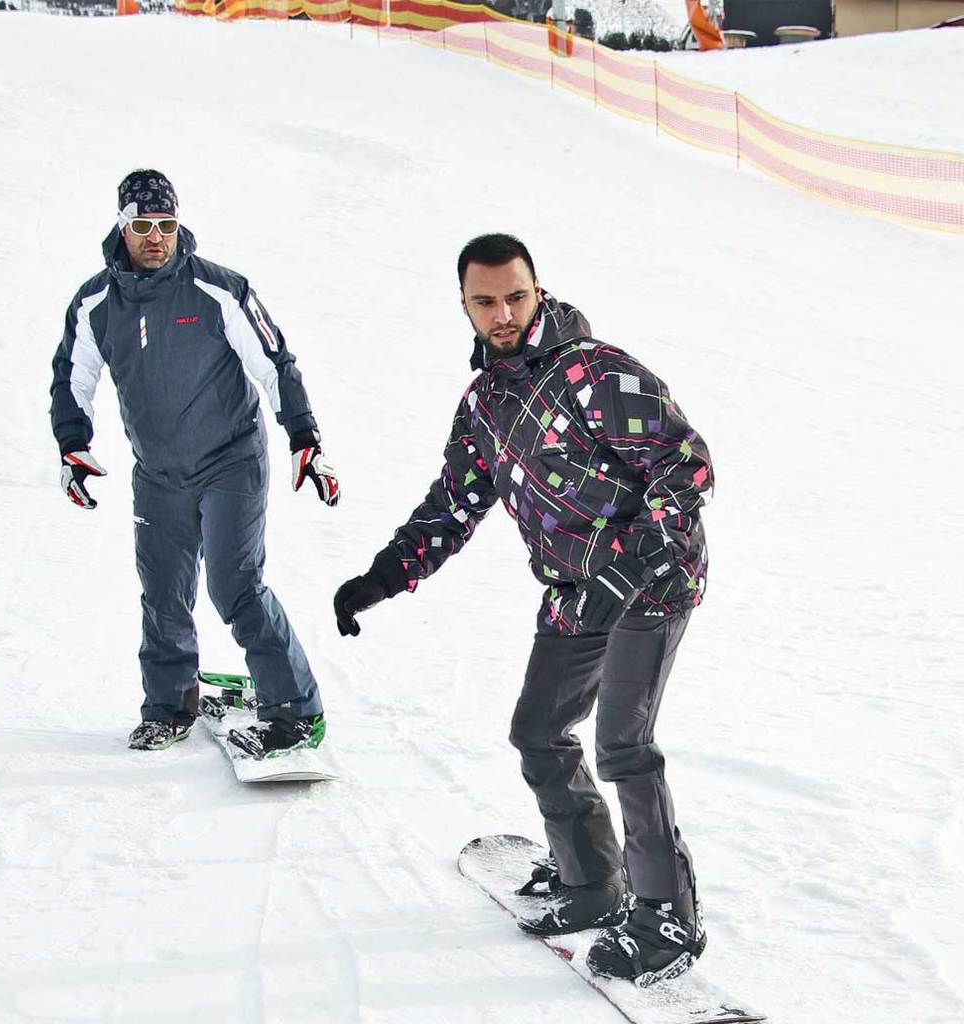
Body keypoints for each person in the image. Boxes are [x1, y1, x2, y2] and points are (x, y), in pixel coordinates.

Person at [332, 234, 713, 985]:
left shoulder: (596, 373)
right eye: (485, 302)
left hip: (653, 581)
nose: (503, 314)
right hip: (576, 588)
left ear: (538, 290)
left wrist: (643, 554)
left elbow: (686, 461)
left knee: (623, 745)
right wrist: (380, 578)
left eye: (516, 296)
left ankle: (668, 913)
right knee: (538, 730)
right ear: (465, 306)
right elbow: (451, 508)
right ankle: (593, 880)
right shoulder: (484, 405)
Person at [50, 169, 339, 758]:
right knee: (162, 592)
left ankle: (295, 710)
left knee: (235, 585)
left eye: (166, 225)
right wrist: (72, 444)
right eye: (143, 226)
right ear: (122, 226)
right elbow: (72, 377)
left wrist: (303, 435)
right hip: (157, 471)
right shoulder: (95, 303)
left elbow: (274, 362)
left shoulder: (218, 289)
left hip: (231, 459)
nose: (156, 238)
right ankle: (167, 705)